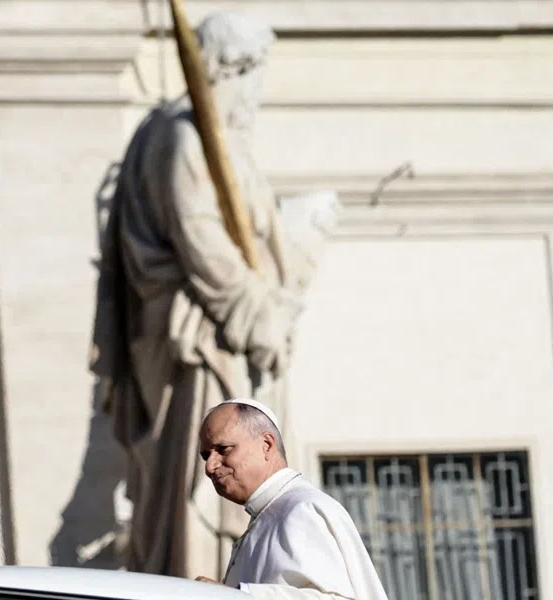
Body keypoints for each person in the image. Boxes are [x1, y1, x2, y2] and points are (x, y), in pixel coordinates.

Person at [88, 11, 302, 578]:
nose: (257, 90)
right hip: (200, 339)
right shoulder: (183, 137)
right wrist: (257, 315)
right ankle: (200, 578)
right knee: (205, 470)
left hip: (208, 331)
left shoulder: (212, 138)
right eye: (254, 73)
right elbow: (201, 240)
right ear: (234, 69)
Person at [195, 398, 390, 599]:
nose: (210, 467)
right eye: (206, 455)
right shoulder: (267, 514)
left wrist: (235, 595)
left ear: (267, 445)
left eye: (224, 449)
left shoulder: (302, 510)